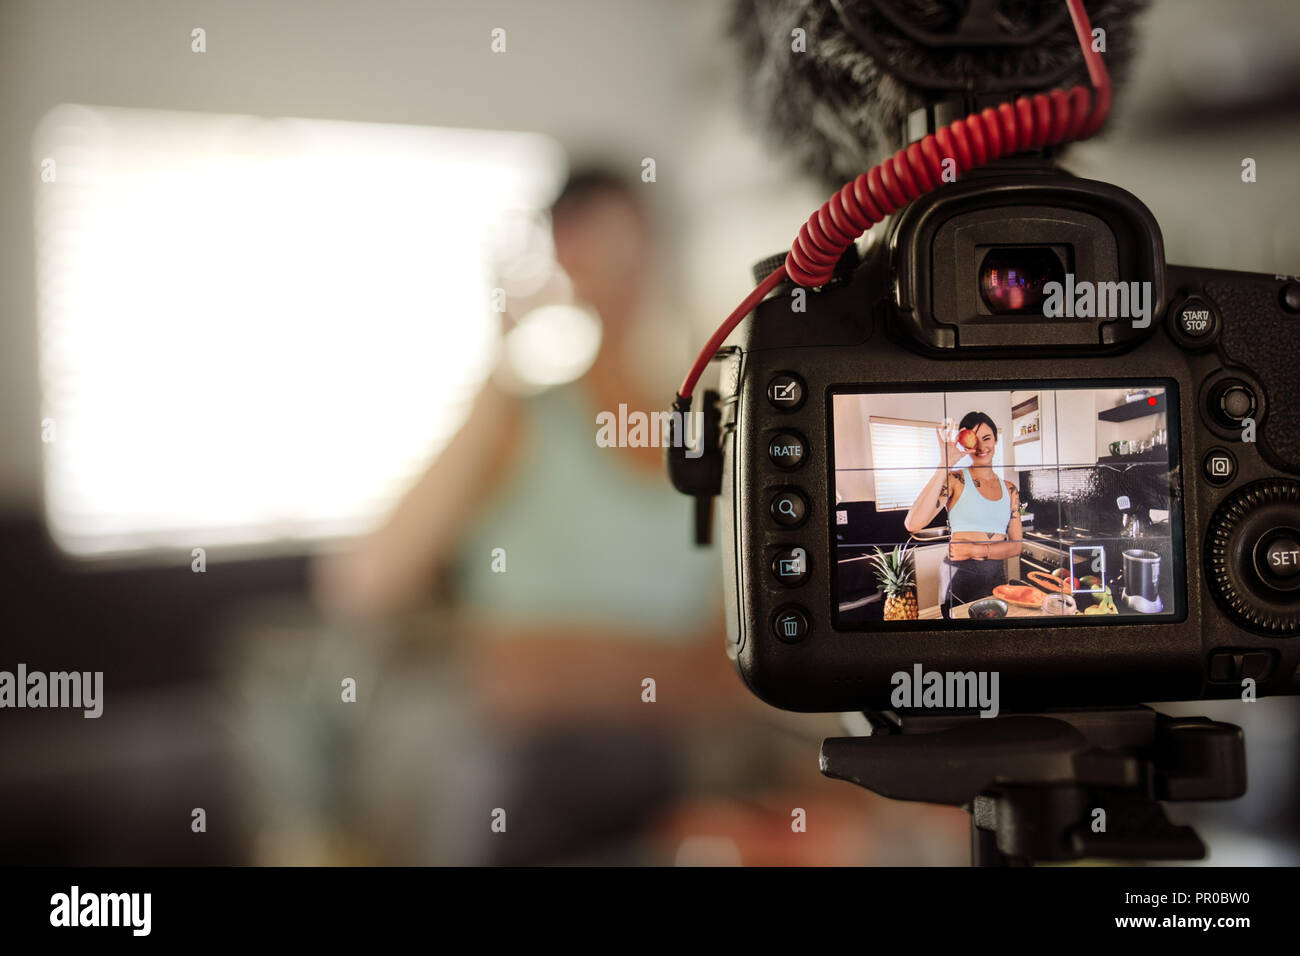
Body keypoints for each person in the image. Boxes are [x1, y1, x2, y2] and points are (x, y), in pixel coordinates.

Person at [904, 411, 1022, 612]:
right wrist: (944, 464)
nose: (981, 447)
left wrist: (977, 550)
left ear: (996, 440)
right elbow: (913, 523)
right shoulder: (955, 480)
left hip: (996, 576)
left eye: (987, 438)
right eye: (974, 440)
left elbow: (1016, 546)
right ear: (965, 444)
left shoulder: (1010, 489)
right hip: (959, 578)